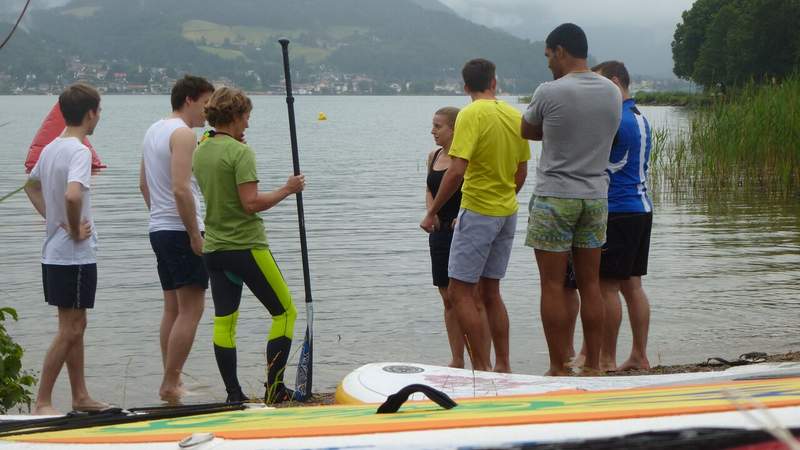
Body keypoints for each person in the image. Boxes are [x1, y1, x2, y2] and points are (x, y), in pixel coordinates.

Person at [192, 87, 305, 403]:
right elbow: (251, 203)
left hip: (213, 249)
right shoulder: (241, 153)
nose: (248, 125)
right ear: (235, 116)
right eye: (246, 118)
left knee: (225, 321)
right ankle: (275, 390)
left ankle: (234, 394)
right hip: (246, 246)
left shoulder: (201, 149)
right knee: (285, 313)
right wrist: (288, 188)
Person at [520, 23, 622, 375]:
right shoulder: (611, 90)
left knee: (551, 284)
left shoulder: (549, 91)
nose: (548, 63)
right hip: (595, 197)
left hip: (555, 196)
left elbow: (527, 129)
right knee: (591, 284)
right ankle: (593, 364)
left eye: (549, 55)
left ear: (560, 51)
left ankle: (557, 366)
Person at [421, 59, 530, 373]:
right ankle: (503, 365)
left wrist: (432, 211)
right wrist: (507, 196)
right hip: (507, 212)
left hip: (478, 210)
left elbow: (456, 170)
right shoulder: (513, 114)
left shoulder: (469, 114)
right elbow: (521, 170)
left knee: (459, 292)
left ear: (465, 86)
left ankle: (480, 369)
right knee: (491, 291)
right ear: (494, 82)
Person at [24, 83, 108, 415]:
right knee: (70, 329)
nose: (99, 116)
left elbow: (31, 186)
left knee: (76, 325)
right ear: (90, 113)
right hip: (74, 254)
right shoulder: (79, 151)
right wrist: (72, 227)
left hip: (54, 253)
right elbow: (74, 195)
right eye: (99, 111)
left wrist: (53, 218)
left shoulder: (50, 148)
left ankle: (80, 396)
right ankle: (43, 401)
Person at [139, 75, 215, 402]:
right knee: (192, 309)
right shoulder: (183, 134)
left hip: (159, 227)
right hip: (180, 228)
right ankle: (170, 383)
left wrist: (160, 217)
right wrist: (193, 235)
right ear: (189, 100)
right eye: (205, 104)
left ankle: (171, 379)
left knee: (172, 307)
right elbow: (181, 187)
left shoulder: (153, 130)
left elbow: (144, 184)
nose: (208, 113)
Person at [592, 60, 653, 371]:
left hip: (617, 209)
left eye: (601, 85)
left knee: (607, 287)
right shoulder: (640, 117)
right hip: (642, 208)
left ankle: (606, 359)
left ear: (615, 82)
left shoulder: (615, 119)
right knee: (633, 285)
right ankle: (640, 355)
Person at [424, 106, 469, 368]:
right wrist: (431, 212)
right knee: (447, 297)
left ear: (454, 128)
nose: (433, 131)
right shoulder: (434, 155)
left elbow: (474, 187)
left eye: (438, 126)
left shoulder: (465, 157)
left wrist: (463, 214)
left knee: (466, 296)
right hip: (439, 231)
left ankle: (479, 357)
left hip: (462, 228)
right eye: (433, 125)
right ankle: (457, 358)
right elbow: (429, 187)